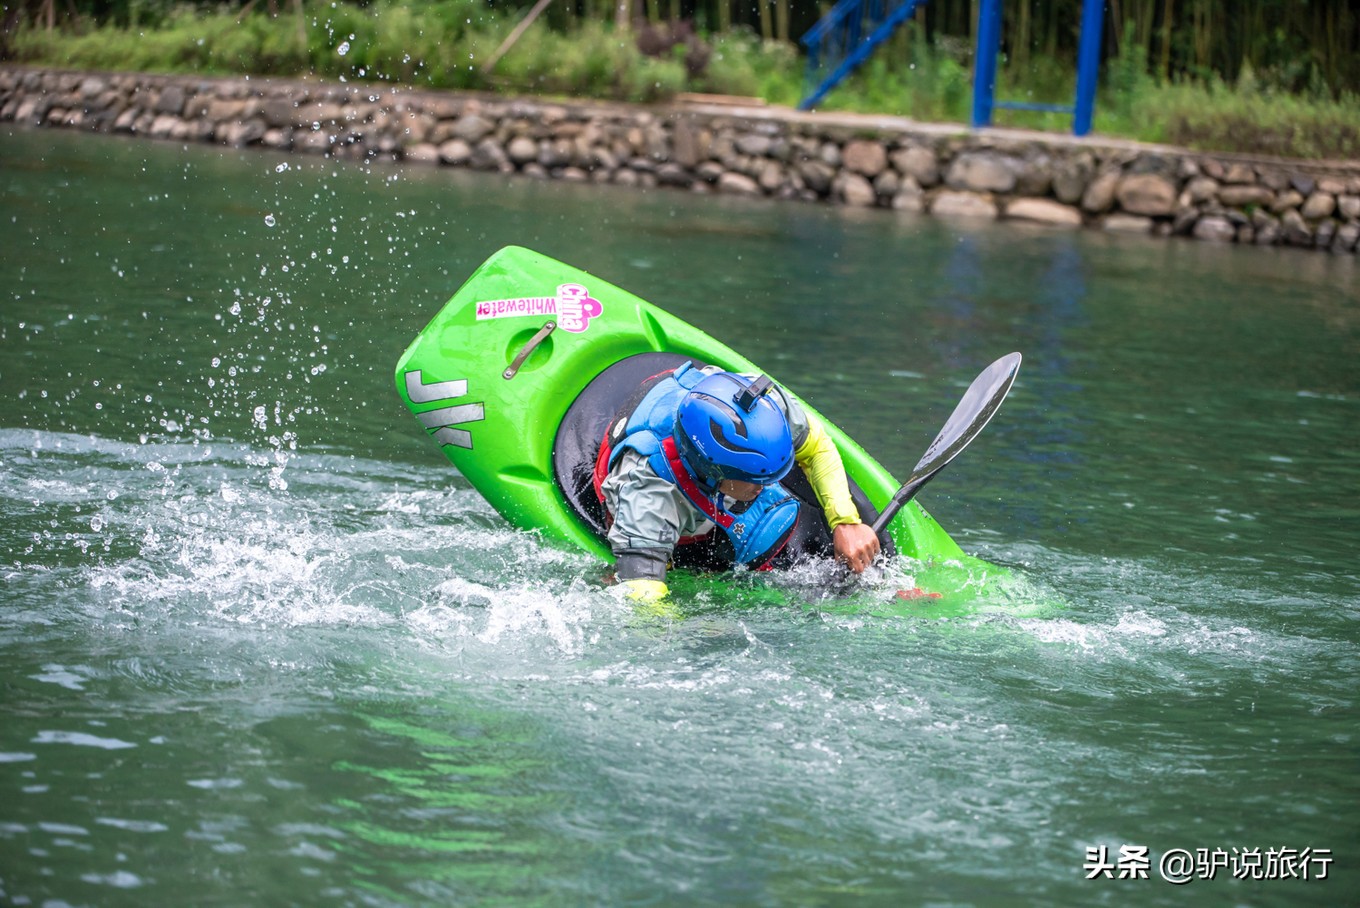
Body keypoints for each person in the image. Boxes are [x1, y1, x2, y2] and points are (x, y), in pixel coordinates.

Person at [592, 362, 881, 602]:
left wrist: (845, 521)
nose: (765, 487)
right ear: (711, 472)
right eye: (754, 480)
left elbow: (816, 445)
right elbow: (644, 596)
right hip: (645, 495)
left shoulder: (759, 402)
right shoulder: (648, 495)